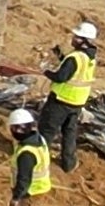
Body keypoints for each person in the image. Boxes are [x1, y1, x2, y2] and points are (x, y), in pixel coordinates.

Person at [42, 20, 99, 174]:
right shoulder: (90, 56)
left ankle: (39, 160)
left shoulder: (75, 58)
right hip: (77, 102)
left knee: (47, 130)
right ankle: (69, 163)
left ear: (84, 40)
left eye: (77, 37)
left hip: (61, 100)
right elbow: (74, 71)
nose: (73, 39)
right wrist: (60, 56)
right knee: (69, 132)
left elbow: (61, 77)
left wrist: (46, 72)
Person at [7, 108, 56, 206]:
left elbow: (24, 178)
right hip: (40, 187)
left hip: (30, 191)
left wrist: (17, 197)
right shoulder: (39, 139)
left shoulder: (27, 153)